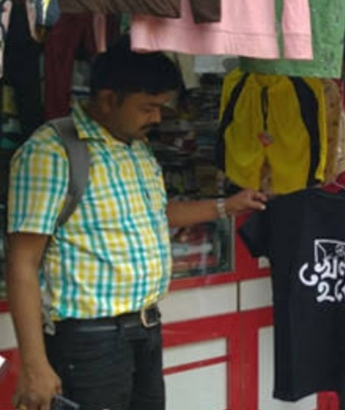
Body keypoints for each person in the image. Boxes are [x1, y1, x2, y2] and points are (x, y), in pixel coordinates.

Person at [5, 38, 267, 410]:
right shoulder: (51, 152)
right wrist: (33, 363)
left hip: (144, 330)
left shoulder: (136, 148)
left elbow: (156, 215)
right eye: (147, 107)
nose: (157, 118)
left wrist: (227, 206)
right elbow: (22, 262)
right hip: (88, 342)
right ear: (107, 99)